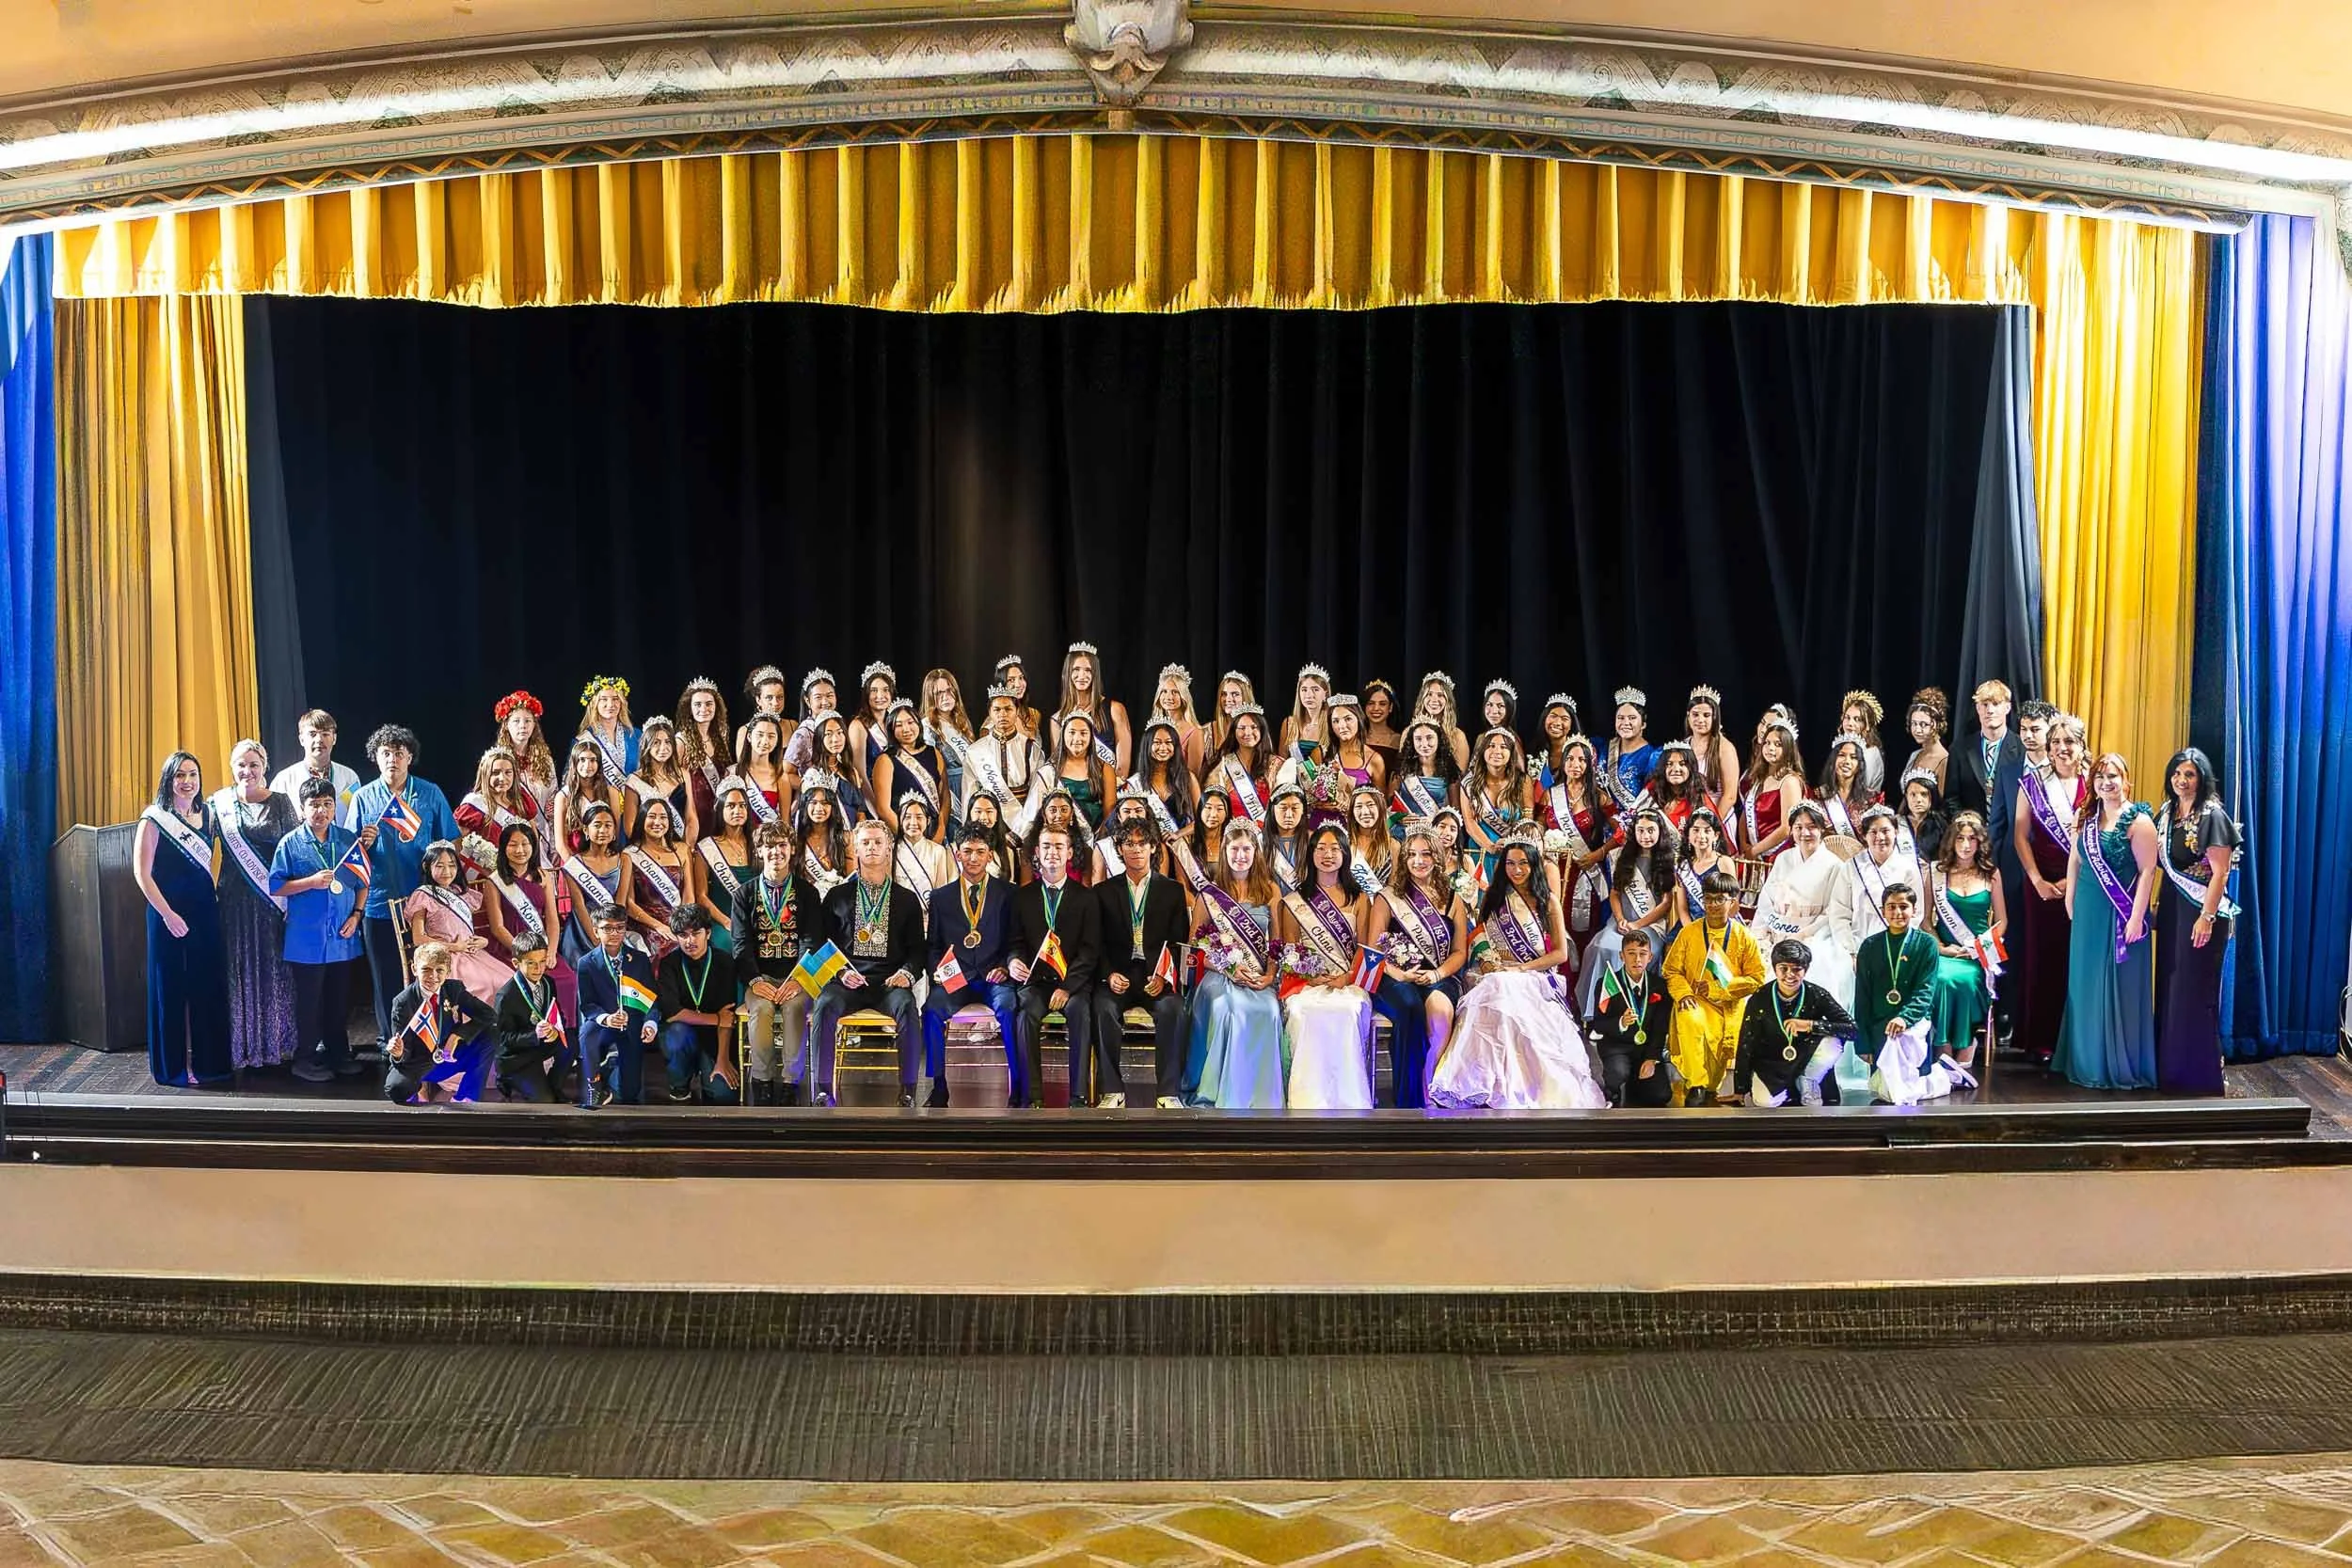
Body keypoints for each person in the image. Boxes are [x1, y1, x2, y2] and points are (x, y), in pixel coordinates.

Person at [1428, 833, 1607, 1110]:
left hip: (1536, 977)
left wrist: (1522, 968)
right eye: (1510, 863)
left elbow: (1559, 954)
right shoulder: (1494, 898)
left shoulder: (1548, 901)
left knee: (1503, 987)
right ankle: (1492, 1083)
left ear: (1534, 865)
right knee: (1496, 985)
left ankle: (1523, 1085)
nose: (1517, 870)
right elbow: (1478, 935)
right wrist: (1488, 961)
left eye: (1523, 863)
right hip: (1498, 973)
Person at [344, 724, 460, 1056]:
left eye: (399, 752)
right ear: (375, 759)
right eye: (385, 753)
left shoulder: (429, 792)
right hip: (379, 902)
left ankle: (430, 1038)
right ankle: (389, 1042)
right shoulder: (364, 797)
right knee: (385, 976)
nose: (392, 759)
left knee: (429, 969)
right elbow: (351, 854)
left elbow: (451, 840)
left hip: (424, 901)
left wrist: (442, 872)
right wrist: (363, 843)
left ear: (410, 757)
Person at [2053, 752, 2160, 1091]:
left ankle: (2118, 1063)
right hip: (2087, 909)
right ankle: (2085, 1059)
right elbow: (2075, 859)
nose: (2106, 782)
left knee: (2120, 986)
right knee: (2084, 984)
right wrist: (2070, 897)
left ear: (2126, 779)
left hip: (2121, 914)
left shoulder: (2139, 821)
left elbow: (2147, 873)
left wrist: (2137, 917)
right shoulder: (2086, 817)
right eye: (2100, 776)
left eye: (2113, 776)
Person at [810, 819, 929, 1106]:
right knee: (824, 1005)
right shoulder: (837, 897)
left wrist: (907, 973)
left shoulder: (907, 900)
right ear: (856, 848)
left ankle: (909, 1090)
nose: (872, 848)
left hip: (889, 982)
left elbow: (918, 951)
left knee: (908, 1007)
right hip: (847, 981)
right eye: (865, 843)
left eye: (878, 842)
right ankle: (823, 1089)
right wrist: (839, 971)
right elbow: (819, 944)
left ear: (889, 848)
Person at [135, 752, 233, 1088]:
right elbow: (142, 873)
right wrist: (168, 914)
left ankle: (210, 1064)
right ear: (168, 780)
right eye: (179, 775)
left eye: (192, 774)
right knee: (170, 990)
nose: (187, 781)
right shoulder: (154, 818)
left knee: (207, 987)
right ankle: (173, 1068)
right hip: (167, 914)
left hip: (205, 911)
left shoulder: (208, 815)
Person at [267, 777, 367, 1084]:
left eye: (327, 804)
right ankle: (305, 1059)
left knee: (339, 1002)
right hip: (306, 940)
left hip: (342, 937)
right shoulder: (290, 843)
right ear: (302, 809)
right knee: (309, 1004)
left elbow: (364, 882)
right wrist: (310, 882)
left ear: (335, 808)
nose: (321, 811)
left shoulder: (348, 840)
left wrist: (357, 915)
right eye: (314, 805)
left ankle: (339, 1054)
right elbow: (276, 886)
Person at [1366, 822, 1470, 1110]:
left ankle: (1429, 1085)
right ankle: (1407, 1097)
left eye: (1425, 854)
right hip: (1394, 977)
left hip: (1439, 974)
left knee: (1438, 1013)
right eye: (1411, 855)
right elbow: (1373, 950)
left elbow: (1460, 952)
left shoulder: (1453, 900)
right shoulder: (1388, 897)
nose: (1418, 861)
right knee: (1410, 1006)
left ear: (1437, 858)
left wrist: (1437, 973)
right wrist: (1400, 973)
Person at [2153, 747, 2237, 1097]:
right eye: (2176, 774)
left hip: (2201, 911)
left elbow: (2221, 872)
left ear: (2202, 777)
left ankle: (2198, 1075)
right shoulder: (2167, 813)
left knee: (2193, 990)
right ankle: (2169, 1069)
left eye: (2189, 774)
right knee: (2171, 985)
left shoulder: (2212, 815)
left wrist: (2206, 917)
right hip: (2174, 908)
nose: (2181, 780)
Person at [212, 737, 299, 1073]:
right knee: (238, 970)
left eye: (254, 765)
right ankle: (242, 1045)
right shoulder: (217, 804)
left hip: (272, 904)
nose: (247, 771)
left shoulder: (281, 803)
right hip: (233, 902)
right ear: (233, 768)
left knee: (274, 970)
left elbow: (295, 850)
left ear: (265, 767)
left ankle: (277, 1043)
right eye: (241, 765)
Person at [1277, 821, 1377, 1110]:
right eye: (1321, 848)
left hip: (1348, 982)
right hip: (1307, 984)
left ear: (1345, 854)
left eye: (1335, 848)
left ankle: (1348, 1099)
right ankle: (1306, 1100)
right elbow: (1291, 950)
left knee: (1348, 1010)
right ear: (1311, 854)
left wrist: (1345, 978)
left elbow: (1365, 949)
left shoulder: (1359, 899)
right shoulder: (1295, 902)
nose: (1327, 854)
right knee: (1301, 1011)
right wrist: (1310, 975)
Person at [1186, 821, 1286, 1109]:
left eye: (1246, 849)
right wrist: (1228, 968)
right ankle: (1225, 1093)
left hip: (1257, 975)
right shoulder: (1209, 894)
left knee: (1268, 1009)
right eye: (1234, 849)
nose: (1240, 855)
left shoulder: (1270, 891)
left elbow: (1276, 943)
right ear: (1224, 852)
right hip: (1219, 976)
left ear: (1255, 852)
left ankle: (1262, 1097)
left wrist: (1269, 975)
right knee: (1230, 1010)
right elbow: (1194, 948)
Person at [1092, 821, 1192, 1109]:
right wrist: (1108, 974)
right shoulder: (1104, 891)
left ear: (1152, 847)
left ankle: (1168, 1092)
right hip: (1120, 974)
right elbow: (1095, 943)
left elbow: (1178, 941)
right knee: (1102, 1008)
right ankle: (1112, 1090)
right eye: (1129, 844)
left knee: (1174, 1008)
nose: (1136, 850)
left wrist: (1164, 975)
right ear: (1120, 850)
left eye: (1142, 843)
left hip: (1156, 975)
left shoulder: (1172, 890)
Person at [924, 825, 1022, 1108]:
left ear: (990, 855)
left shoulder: (1008, 893)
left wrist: (1005, 965)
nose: (974, 858)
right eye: (967, 852)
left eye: (980, 852)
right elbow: (933, 947)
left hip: (995, 977)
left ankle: (1017, 1087)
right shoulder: (941, 897)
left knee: (1009, 1009)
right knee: (930, 1010)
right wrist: (938, 971)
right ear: (957, 854)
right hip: (957, 979)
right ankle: (939, 1086)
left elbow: (1017, 941)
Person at [1008, 822, 1103, 1108]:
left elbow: (1090, 951)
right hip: (1035, 982)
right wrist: (1013, 962)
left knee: (1081, 1014)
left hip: (1072, 985)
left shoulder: (1086, 897)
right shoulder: (1021, 897)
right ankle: (1032, 1096)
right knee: (1025, 1017)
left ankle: (1078, 1095)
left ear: (1070, 853)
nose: (1052, 852)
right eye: (1046, 846)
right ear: (1036, 852)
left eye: (1059, 846)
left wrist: (1067, 987)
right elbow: (1015, 942)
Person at [2010, 712, 2088, 1064]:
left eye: (2068, 742)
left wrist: (2072, 880)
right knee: (2042, 958)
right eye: (2055, 742)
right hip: (2041, 885)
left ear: (2081, 745)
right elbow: (2020, 835)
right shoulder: (2033, 783)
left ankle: (2077, 1038)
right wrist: (2037, 879)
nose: (2061, 749)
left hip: (2085, 883)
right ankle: (2041, 1039)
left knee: (2079, 960)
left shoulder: (2094, 782)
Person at [1851, 882, 1967, 1102]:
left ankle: (1947, 1077)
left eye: (1903, 906)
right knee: (1886, 1093)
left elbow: (1926, 991)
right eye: (1891, 907)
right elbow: (1862, 998)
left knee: (1901, 1095)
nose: (1897, 913)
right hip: (1880, 1024)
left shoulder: (1926, 944)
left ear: (1914, 910)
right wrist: (1863, 1043)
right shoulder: (1870, 946)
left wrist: (1905, 1018)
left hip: (1912, 1022)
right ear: (1882, 910)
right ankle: (1944, 1075)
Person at [732, 822, 820, 1106]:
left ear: (792, 850)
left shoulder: (808, 893)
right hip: (761, 978)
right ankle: (762, 1080)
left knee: (795, 1008)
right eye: (769, 846)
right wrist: (756, 980)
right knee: (761, 1009)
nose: (776, 852)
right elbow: (741, 944)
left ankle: (790, 1082)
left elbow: (811, 940)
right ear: (759, 851)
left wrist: (799, 979)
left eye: (782, 845)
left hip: (798, 978)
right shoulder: (743, 894)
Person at [1660, 870, 1765, 1104]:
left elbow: (1756, 978)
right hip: (1694, 999)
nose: (1713, 905)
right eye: (1708, 899)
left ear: (1732, 902)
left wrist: (1719, 990)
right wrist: (1684, 992)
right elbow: (1672, 971)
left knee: (1716, 1058)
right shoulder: (1689, 933)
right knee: (1691, 1021)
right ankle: (1696, 1084)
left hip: (1728, 1007)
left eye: (1720, 899)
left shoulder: (1743, 936)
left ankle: (1708, 1087)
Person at [1747, 802, 1852, 1006]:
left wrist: (1803, 934)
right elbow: (1767, 899)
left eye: (1811, 826)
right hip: (1777, 929)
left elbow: (1833, 910)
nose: (1805, 833)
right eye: (1798, 827)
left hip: (1813, 933)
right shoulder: (1783, 858)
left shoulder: (1834, 865)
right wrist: (1762, 931)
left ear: (1822, 829)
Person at [1728, 939, 1854, 1108]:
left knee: (1833, 1042)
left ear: (1806, 970)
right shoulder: (1760, 998)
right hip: (1772, 1064)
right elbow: (1746, 1042)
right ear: (1774, 968)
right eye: (1783, 969)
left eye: (1797, 969)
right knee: (1765, 1103)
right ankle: (1791, 1089)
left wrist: (1811, 1025)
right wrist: (1740, 1089)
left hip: (1807, 1058)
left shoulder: (1817, 994)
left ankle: (1808, 1081)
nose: (1790, 975)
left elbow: (1853, 1029)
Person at [1927, 810, 2008, 1077]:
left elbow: (2002, 922)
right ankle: (1945, 1043)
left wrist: (1978, 947)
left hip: (1977, 956)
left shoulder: (1991, 874)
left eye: (1971, 839)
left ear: (1979, 843)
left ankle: (1966, 1039)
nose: (1965, 844)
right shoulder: (1937, 873)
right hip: (1946, 952)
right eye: (1960, 838)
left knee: (1964, 980)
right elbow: (1925, 921)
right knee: (1941, 978)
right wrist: (1940, 947)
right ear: (1952, 841)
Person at [1579, 806, 1677, 1016]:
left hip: (1651, 924)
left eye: (1651, 830)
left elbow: (1666, 903)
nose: (1646, 836)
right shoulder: (1622, 856)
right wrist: (1621, 918)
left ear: (1660, 832)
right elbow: (1615, 893)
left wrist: (1637, 925)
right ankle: (1598, 1012)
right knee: (1601, 946)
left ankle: (1629, 1010)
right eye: (1641, 830)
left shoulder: (1669, 860)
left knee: (1633, 953)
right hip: (1622, 920)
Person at [483, 821, 575, 1028]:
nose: (520, 850)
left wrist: (550, 952)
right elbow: (497, 928)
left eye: (525, 844)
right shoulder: (494, 882)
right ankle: (530, 1036)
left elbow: (552, 918)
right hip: (512, 950)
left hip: (541, 947)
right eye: (513, 845)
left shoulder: (543, 877)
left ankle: (563, 1037)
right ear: (503, 848)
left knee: (566, 978)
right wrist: (523, 953)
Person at [383, 941, 500, 1105]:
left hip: (449, 1056)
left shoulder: (453, 990)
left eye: (439, 970)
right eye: (426, 970)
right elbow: (402, 1054)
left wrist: (457, 1035)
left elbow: (489, 1015)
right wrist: (398, 1053)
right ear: (415, 969)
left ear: (448, 972)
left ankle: (466, 1097)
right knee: (396, 1088)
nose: (433, 976)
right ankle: (416, 1094)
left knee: (492, 1033)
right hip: (419, 1063)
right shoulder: (403, 1002)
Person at [1825, 806, 1923, 996]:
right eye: (1873, 832)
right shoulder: (1851, 867)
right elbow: (1839, 912)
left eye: (1885, 831)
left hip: (1897, 943)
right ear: (1864, 836)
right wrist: (1851, 952)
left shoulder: (1908, 869)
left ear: (1896, 832)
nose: (1880, 837)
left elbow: (1916, 914)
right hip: (1856, 942)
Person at [1539, 733, 1613, 981]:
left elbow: (1622, 830)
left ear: (1590, 764)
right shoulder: (1550, 795)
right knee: (1555, 929)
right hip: (1554, 874)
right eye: (1570, 758)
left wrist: (1599, 853)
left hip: (1585, 874)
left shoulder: (1598, 796)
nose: (1575, 765)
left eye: (1582, 760)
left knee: (1582, 931)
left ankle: (1579, 992)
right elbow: (1537, 828)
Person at [404, 839, 513, 1005]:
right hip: (445, 958)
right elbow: (418, 938)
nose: (447, 871)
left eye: (452, 865)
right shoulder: (423, 895)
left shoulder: (459, 892)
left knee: (509, 980)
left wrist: (482, 941)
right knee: (486, 985)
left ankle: (499, 1029)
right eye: (440, 866)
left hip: (472, 954)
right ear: (427, 867)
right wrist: (453, 947)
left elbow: (464, 930)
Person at [574, 904, 661, 1107]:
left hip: (632, 1026)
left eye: (619, 928)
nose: (614, 933)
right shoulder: (586, 963)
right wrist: (606, 1018)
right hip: (603, 1025)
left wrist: (651, 1023)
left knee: (629, 1093)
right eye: (607, 928)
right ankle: (593, 1084)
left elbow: (651, 999)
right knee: (587, 1032)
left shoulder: (639, 960)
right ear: (596, 930)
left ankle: (614, 1066)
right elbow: (587, 1005)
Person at [1955, 679, 2028, 916]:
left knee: (2010, 910)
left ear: (2008, 707)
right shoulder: (1961, 748)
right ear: (1977, 709)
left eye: (1996, 703)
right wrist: (1969, 828)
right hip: (1970, 843)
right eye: (1984, 704)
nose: (1990, 710)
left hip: (2010, 844)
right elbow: (1951, 798)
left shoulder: (2022, 749)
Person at [1588, 928, 1674, 1107]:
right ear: (1621, 955)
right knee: (1618, 1073)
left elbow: (1660, 1028)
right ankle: (1613, 1088)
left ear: (1650, 957)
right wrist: (1620, 1023)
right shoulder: (1607, 983)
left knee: (1661, 1096)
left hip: (1645, 1049)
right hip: (1617, 1047)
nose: (1637, 959)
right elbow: (1598, 1024)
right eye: (1631, 953)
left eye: (1643, 954)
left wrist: (1651, 1059)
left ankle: (1636, 1082)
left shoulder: (1659, 986)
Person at [656, 906, 732, 1102]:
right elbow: (673, 1013)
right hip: (682, 1031)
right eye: (683, 935)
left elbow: (728, 1018)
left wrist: (722, 1061)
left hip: (714, 1035)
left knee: (722, 1095)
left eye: (696, 933)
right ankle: (679, 1084)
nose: (690, 941)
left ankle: (709, 1074)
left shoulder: (725, 962)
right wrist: (715, 1018)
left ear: (708, 933)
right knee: (676, 1034)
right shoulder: (668, 964)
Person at [490, 932, 571, 1103]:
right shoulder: (506, 996)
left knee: (572, 1042)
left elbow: (558, 1014)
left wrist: (556, 1030)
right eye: (531, 963)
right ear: (516, 963)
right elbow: (503, 1039)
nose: (539, 968)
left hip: (540, 1045)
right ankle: (507, 1079)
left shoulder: (548, 982)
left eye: (542, 962)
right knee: (545, 1102)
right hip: (517, 1057)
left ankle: (554, 1086)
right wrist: (535, 1035)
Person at [965, 684, 1052, 843]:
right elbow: (969, 795)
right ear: (990, 713)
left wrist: (1022, 829)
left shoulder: (1031, 748)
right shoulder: (975, 751)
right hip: (987, 822)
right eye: (997, 710)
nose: (1003, 714)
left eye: (1008, 709)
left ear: (1017, 711)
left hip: (1023, 822)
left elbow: (1037, 792)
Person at [554, 801, 630, 975]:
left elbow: (620, 901)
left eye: (608, 826)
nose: (603, 830)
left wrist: (613, 933)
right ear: (586, 830)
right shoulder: (575, 864)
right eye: (597, 825)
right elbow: (579, 905)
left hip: (614, 926)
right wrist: (597, 938)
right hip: (582, 929)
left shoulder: (624, 859)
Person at [622, 799, 692, 963]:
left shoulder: (682, 850)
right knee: (665, 950)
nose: (657, 822)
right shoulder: (630, 854)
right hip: (646, 924)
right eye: (652, 816)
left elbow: (689, 895)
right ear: (642, 820)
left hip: (678, 920)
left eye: (663, 817)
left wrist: (682, 924)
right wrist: (658, 926)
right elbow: (629, 904)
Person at [1458, 727, 1534, 880]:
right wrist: (1491, 847)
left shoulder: (1522, 781)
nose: (1497, 751)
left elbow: (1527, 819)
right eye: (1491, 745)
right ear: (1483, 750)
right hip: (1480, 851)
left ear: (1511, 752)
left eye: (1503, 747)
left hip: (1513, 853)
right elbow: (1469, 823)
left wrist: (1510, 843)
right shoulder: (1469, 783)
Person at [869, 699, 950, 843]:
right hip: (903, 838)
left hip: (936, 834)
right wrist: (911, 838)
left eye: (910, 722)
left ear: (918, 723)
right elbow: (883, 809)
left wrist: (941, 829)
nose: (906, 729)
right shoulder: (885, 760)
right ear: (891, 730)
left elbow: (944, 795)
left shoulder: (934, 753)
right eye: (898, 725)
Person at [455, 745, 536, 882]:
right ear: (485, 774)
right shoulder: (474, 805)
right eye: (495, 772)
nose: (502, 777)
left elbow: (533, 839)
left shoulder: (522, 802)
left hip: (521, 876)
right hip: (485, 879)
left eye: (508, 772)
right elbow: (456, 845)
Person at [693, 777, 755, 953]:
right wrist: (727, 922)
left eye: (743, 805)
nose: (738, 811)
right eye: (731, 806)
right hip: (722, 921)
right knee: (732, 944)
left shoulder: (758, 843)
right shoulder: (706, 848)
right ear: (720, 808)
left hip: (757, 920)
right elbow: (701, 896)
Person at [491, 690, 559, 848]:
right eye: (516, 721)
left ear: (534, 725)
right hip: (510, 838)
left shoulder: (545, 761)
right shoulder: (497, 761)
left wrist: (554, 845)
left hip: (543, 837)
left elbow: (552, 802)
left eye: (528, 721)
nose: (523, 726)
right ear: (506, 725)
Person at [1056, 641, 1134, 775]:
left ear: (1095, 674)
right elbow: (1058, 766)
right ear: (1067, 673)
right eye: (1076, 669)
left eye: (1088, 670)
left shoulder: (1114, 709)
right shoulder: (1058, 718)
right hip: (1074, 790)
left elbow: (1122, 767)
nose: (1082, 676)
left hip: (1111, 789)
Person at [268, 708, 361, 818]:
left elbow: (357, 819)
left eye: (325, 734)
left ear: (334, 739)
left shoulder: (349, 778)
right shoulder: (284, 780)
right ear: (301, 739)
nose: (319, 739)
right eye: (312, 734)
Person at [1738, 716, 1806, 862]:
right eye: (1767, 743)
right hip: (1754, 855)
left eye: (1778, 744)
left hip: (1778, 856)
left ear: (1788, 749)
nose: (1770, 748)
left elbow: (1787, 828)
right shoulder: (1759, 779)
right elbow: (1746, 813)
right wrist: (1745, 845)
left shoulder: (1790, 782)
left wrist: (1755, 850)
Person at [628, 715, 700, 848]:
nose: (663, 747)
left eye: (668, 742)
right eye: (656, 742)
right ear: (647, 746)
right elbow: (630, 826)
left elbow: (691, 818)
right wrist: (654, 850)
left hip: (679, 848)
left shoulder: (683, 775)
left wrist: (686, 848)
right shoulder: (635, 780)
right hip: (648, 851)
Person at [553, 736, 633, 854]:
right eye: (582, 760)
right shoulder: (563, 796)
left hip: (604, 859)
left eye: (592, 760)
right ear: (574, 762)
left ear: (599, 763)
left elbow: (614, 835)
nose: (587, 765)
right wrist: (576, 870)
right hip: (573, 860)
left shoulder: (611, 793)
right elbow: (561, 845)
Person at [674, 676, 734, 832]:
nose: (704, 709)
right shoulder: (681, 741)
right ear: (689, 708)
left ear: (716, 707)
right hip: (693, 811)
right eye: (698, 704)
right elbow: (672, 778)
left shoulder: (720, 737)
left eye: (709, 704)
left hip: (718, 810)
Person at [919, 668, 975, 833]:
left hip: (969, 785)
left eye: (949, 691)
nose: (945, 697)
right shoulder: (927, 726)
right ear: (930, 697)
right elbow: (930, 771)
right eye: (938, 693)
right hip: (949, 790)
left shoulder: (961, 722)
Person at [1049, 711, 1119, 838]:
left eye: (1083, 733)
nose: (1077, 738)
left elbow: (1110, 811)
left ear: (1091, 737)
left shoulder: (1104, 767)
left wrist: (1100, 840)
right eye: (1072, 732)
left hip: (1096, 836)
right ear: (1063, 735)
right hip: (1061, 838)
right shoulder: (1051, 769)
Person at [1210, 705, 1276, 829]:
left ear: (1262, 730)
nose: (1248, 733)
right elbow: (1212, 803)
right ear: (1234, 732)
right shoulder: (1223, 765)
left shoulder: (1275, 764)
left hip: (1268, 833)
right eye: (1242, 728)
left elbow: (1282, 803)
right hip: (1232, 835)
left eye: (1254, 727)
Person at [1136, 716, 1200, 839]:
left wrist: (1178, 834)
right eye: (1157, 743)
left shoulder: (1188, 778)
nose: (1163, 748)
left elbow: (1202, 820)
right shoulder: (1136, 783)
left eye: (1169, 743)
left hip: (1182, 848)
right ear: (1147, 745)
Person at [1682, 686, 1740, 823]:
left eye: (1706, 715)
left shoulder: (1725, 748)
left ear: (1715, 717)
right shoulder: (1683, 746)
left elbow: (1730, 796)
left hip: (1719, 817)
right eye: (1695, 714)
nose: (1700, 720)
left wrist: (1711, 823)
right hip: (1690, 818)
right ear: (1688, 715)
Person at [1600, 686, 1661, 816]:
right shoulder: (1605, 748)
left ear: (1643, 724)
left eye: (1632, 718)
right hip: (1603, 824)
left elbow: (1652, 798)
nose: (1625, 722)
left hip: (1633, 826)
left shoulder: (1652, 756)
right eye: (1620, 718)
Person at [890, 796, 955, 917]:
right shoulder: (890, 851)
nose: (913, 823)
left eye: (919, 817)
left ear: (928, 820)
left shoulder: (938, 851)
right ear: (900, 820)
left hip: (929, 916)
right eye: (907, 817)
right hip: (900, 916)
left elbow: (941, 891)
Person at [1391, 718, 1460, 826]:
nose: (1424, 744)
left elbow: (1455, 807)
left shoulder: (1449, 768)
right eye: (1418, 739)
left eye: (1429, 738)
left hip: (1435, 831)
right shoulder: (1402, 767)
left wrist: (1439, 822)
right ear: (1412, 741)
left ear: (1439, 739)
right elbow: (1389, 799)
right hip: (1404, 830)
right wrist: (1399, 818)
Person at [1147, 663, 1209, 780]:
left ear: (1183, 696)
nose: (1169, 697)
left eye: (1175, 692)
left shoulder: (1194, 732)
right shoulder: (1154, 728)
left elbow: (1193, 777)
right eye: (1164, 691)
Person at [847, 660, 899, 792]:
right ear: (866, 694)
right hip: (872, 795)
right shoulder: (858, 726)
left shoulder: (896, 721)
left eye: (885, 690)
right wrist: (877, 809)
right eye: (874, 690)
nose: (880, 696)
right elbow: (860, 775)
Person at [794, 776, 850, 896]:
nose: (819, 808)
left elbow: (851, 882)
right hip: (806, 902)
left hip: (837, 902)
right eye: (813, 803)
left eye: (825, 803)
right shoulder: (796, 840)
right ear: (805, 806)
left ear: (833, 807)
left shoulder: (845, 838)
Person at [1325, 694, 1388, 802]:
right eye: (1336, 721)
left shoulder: (1374, 759)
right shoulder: (1323, 754)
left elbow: (1381, 803)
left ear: (1359, 719)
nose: (1342, 726)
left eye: (1348, 719)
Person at [579, 674, 640, 784]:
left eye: (615, 699)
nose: (610, 704)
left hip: (635, 798)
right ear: (594, 704)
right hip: (600, 798)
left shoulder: (636, 735)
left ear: (621, 703)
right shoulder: (584, 739)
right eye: (603, 699)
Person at [1815, 733, 1877, 840]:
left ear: (1859, 766)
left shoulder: (1870, 798)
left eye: (1853, 757)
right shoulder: (1818, 795)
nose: (1847, 761)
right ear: (1833, 760)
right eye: (1842, 755)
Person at [1408, 673, 1472, 771]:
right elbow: (1400, 771)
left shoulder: (1458, 736)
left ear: (1448, 700)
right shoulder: (1409, 732)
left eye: (1440, 695)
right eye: (1429, 694)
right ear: (1422, 698)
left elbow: (1460, 777)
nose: (1434, 699)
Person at [1279, 663, 1334, 766]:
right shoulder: (1289, 723)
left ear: (1325, 694)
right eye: (1304, 690)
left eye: (1315, 690)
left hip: (1325, 779)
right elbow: (1281, 762)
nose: (1309, 695)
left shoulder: (1332, 723)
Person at [1900, 689, 1951, 796]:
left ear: (1937, 725)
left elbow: (1941, 802)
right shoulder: (1915, 755)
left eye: (1923, 724)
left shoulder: (1944, 760)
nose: (1917, 730)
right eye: (1914, 724)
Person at [1645, 740, 1701, 833]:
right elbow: (1628, 825)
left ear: (1691, 768)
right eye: (1669, 764)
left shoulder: (1699, 796)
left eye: (1682, 764)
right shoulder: (1652, 790)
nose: (1675, 769)